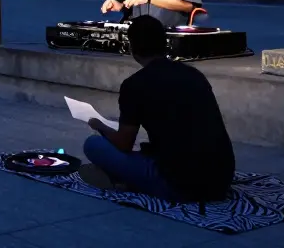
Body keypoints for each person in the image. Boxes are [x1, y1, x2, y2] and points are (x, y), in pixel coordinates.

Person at [82, 15, 235, 202]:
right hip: (221, 177)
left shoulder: (134, 85)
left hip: (180, 183)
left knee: (93, 145)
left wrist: (100, 126)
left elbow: (124, 144)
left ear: (133, 48)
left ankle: (127, 180)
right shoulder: (194, 75)